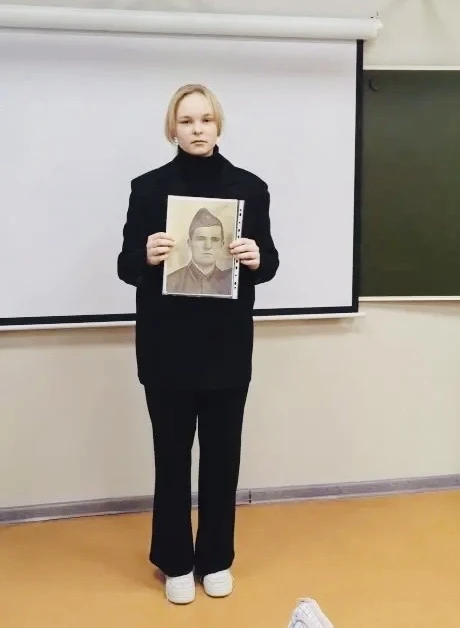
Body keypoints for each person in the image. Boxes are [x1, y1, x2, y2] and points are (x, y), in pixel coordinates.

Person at [117, 83, 279, 604]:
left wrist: (257, 257)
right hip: (166, 350)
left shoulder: (249, 188)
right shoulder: (148, 189)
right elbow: (125, 266)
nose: (197, 129)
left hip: (226, 350)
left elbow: (269, 263)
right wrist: (146, 254)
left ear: (218, 124)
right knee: (171, 459)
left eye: (205, 119)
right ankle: (174, 562)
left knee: (222, 459)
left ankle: (216, 559)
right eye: (186, 121)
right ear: (173, 128)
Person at [166, 207, 233, 296]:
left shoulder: (231, 282)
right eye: (201, 239)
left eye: (214, 239)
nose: (208, 246)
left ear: (222, 244)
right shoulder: (170, 282)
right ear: (189, 243)